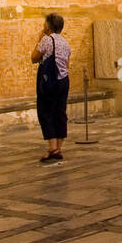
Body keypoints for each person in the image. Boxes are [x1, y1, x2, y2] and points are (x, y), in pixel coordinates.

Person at [31, 13, 71, 163]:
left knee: (46, 111)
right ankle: (58, 148)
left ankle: (53, 148)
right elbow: (67, 64)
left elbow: (34, 58)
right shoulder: (65, 42)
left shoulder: (46, 40)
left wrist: (38, 40)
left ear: (48, 25)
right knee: (60, 112)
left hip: (49, 82)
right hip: (63, 81)